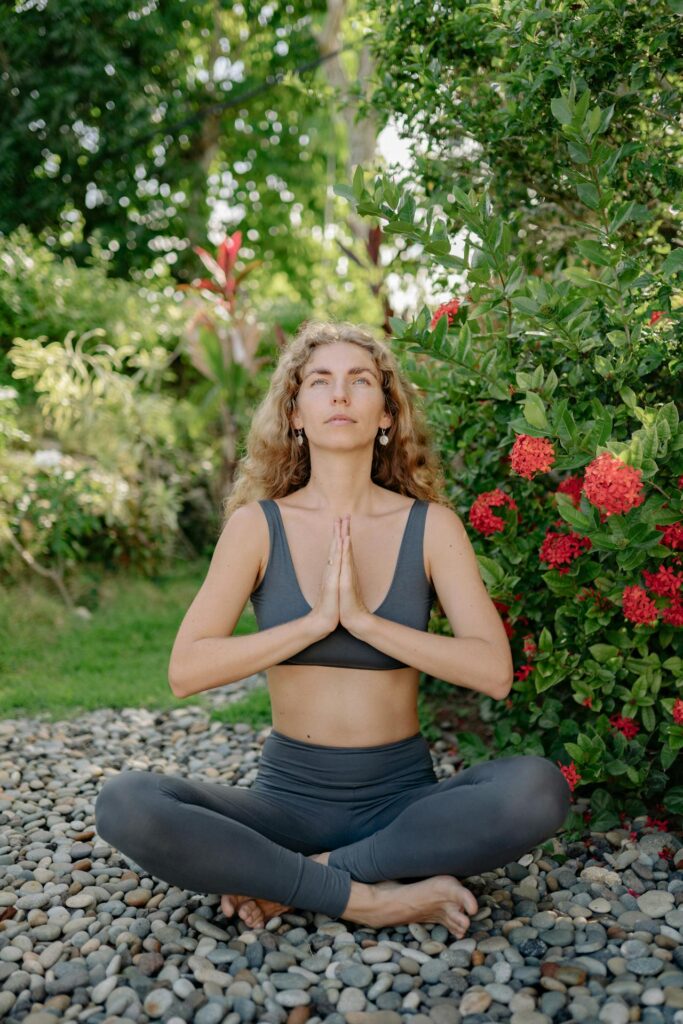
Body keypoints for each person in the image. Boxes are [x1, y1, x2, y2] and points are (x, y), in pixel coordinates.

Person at [95, 319, 571, 939]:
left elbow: (493, 672)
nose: (339, 395)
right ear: (295, 414)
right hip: (284, 804)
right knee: (126, 802)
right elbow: (187, 669)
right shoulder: (256, 527)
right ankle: (372, 898)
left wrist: (367, 623)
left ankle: (305, 880)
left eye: (360, 380)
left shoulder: (431, 527)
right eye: (319, 382)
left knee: (536, 788)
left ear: (386, 415)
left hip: (402, 803)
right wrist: (315, 623)